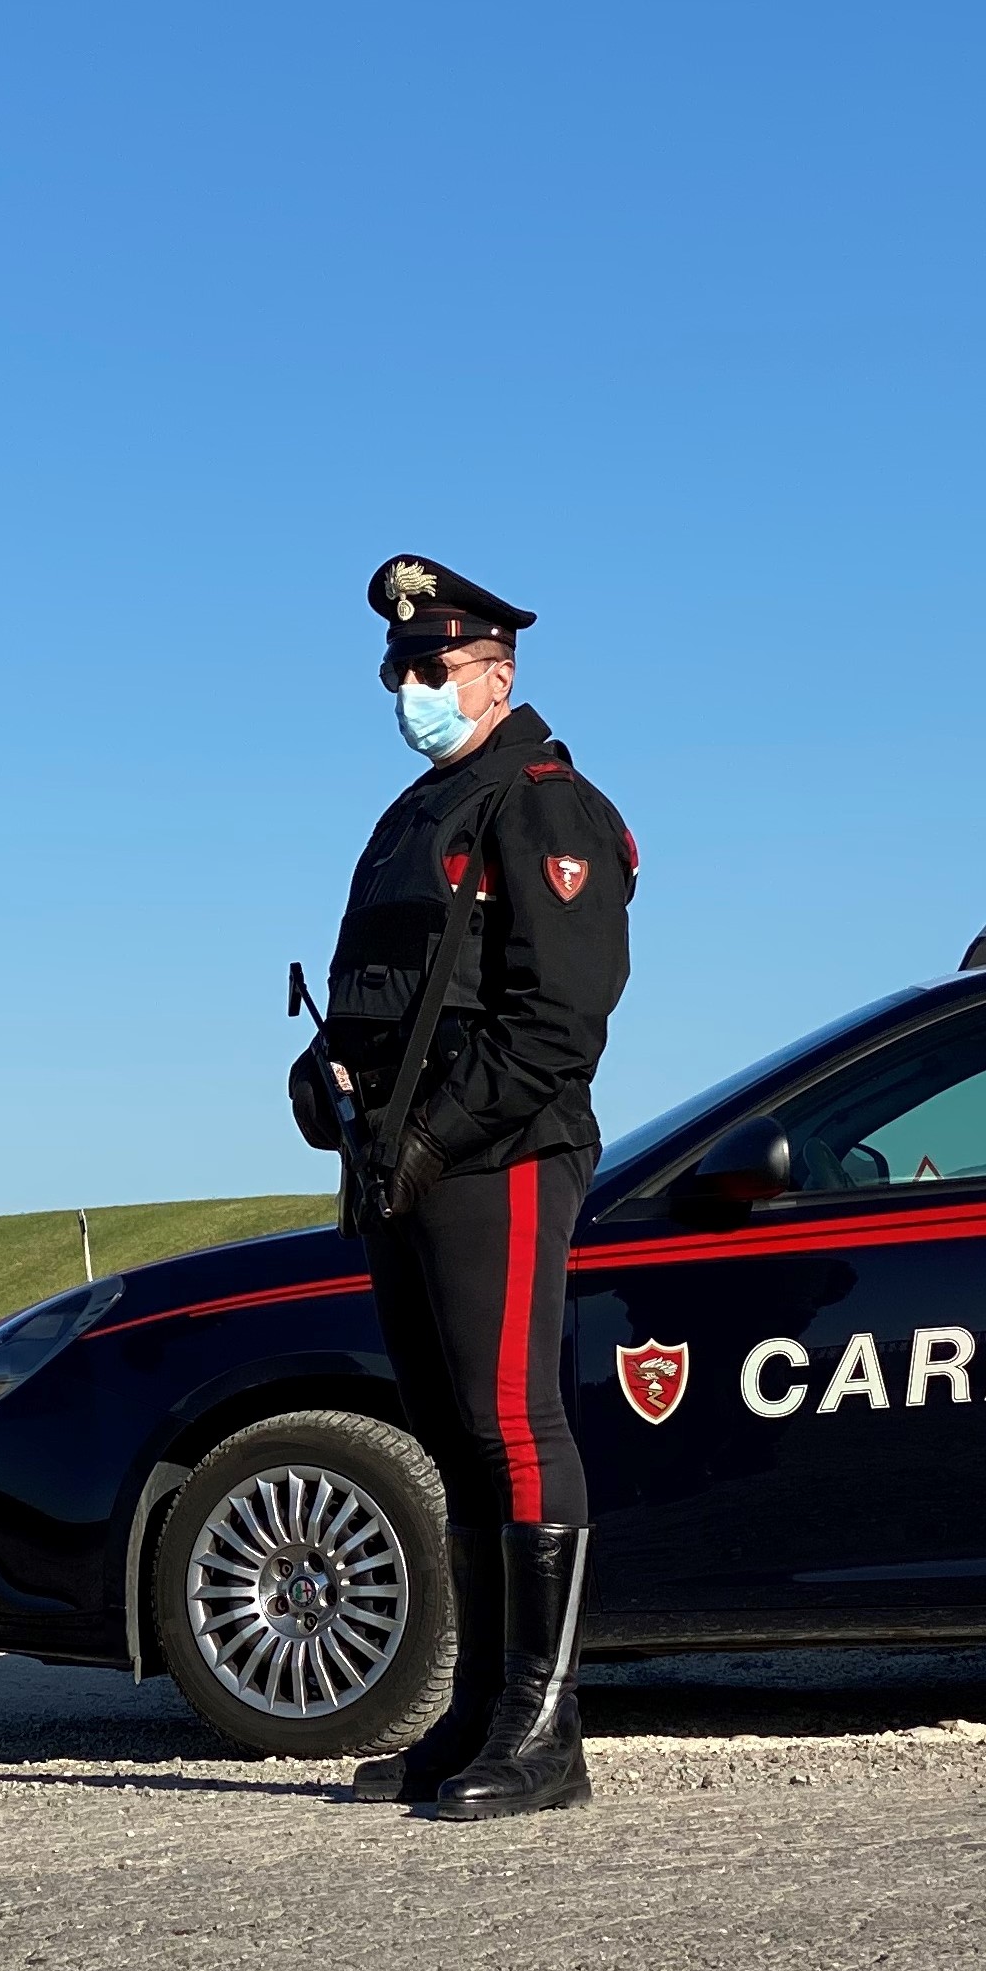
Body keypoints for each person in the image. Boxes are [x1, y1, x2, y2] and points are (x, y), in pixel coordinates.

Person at [294, 556, 635, 1821]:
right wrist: (322, 1078)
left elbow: (560, 1021)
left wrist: (438, 1132)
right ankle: (479, 1708)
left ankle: (543, 1733)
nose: (409, 688)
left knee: (511, 1424)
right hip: (398, 1158)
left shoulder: (545, 808)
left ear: (496, 675)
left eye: (432, 669)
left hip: (496, 1153)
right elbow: (375, 994)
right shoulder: (415, 815)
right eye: (398, 669)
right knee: (449, 1437)